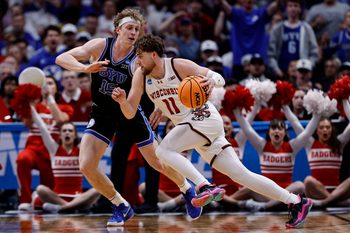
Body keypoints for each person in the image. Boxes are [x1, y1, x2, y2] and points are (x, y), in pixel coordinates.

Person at [112, 34, 314, 228]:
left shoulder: (177, 65)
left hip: (204, 117)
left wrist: (211, 81)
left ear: (153, 54)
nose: (137, 61)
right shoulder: (140, 75)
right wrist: (122, 101)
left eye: (140, 55)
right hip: (192, 127)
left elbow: (218, 77)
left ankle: (202, 187)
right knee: (242, 175)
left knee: (163, 151)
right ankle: (296, 201)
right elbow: (130, 113)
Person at [55, 8, 219, 226]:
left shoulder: (138, 61)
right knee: (86, 165)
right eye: (129, 28)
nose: (133, 32)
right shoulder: (100, 46)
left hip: (129, 113)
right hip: (102, 114)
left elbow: (162, 81)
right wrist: (86, 68)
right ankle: (120, 204)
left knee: (158, 162)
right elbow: (61, 58)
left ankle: (187, 190)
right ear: (117, 30)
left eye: (137, 29)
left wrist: (159, 107)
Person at [29, 104, 100, 213]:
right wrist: (31, 106)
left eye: (70, 131)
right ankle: (69, 207)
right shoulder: (54, 149)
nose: (67, 132)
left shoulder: (80, 150)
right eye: (64, 131)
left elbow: (93, 129)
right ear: (60, 135)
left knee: (97, 189)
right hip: (57, 197)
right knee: (40, 189)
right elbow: (42, 127)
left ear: (75, 135)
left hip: (78, 198)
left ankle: (62, 209)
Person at [16, 75, 73, 211]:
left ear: (56, 88)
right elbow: (27, 123)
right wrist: (30, 103)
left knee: (46, 197)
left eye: (50, 83)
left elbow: (60, 120)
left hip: (52, 155)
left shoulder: (66, 108)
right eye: (44, 84)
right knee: (22, 159)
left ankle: (36, 199)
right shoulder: (36, 105)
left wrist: (50, 99)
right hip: (33, 150)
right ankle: (25, 200)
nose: (47, 86)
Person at [284, 99, 350, 208]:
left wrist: (344, 100)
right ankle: (334, 201)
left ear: (331, 130)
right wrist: (285, 107)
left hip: (338, 191)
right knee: (308, 180)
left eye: (328, 127)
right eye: (321, 127)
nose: (325, 130)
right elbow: (295, 123)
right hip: (316, 192)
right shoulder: (310, 143)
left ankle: (326, 202)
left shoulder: (339, 143)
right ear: (317, 130)